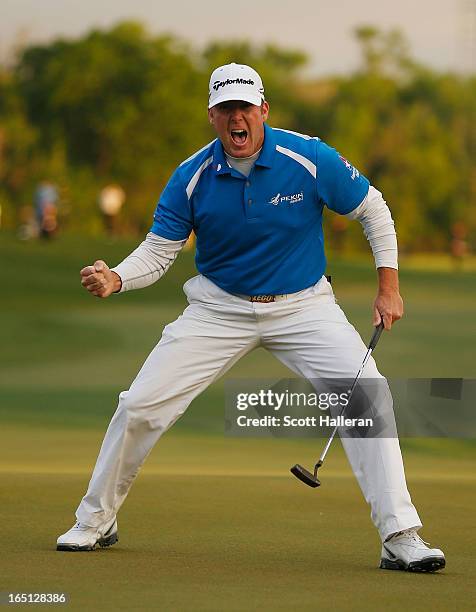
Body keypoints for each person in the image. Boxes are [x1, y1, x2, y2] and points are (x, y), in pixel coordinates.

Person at [57, 63, 445, 572]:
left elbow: (373, 209)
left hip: (304, 306)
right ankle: (95, 519)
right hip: (219, 308)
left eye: (245, 107)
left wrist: (388, 286)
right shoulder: (190, 176)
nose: (236, 118)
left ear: (263, 110)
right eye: (225, 109)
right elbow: (159, 250)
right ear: (212, 116)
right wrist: (118, 278)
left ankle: (400, 535)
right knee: (140, 406)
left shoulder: (306, 156)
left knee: (367, 395)